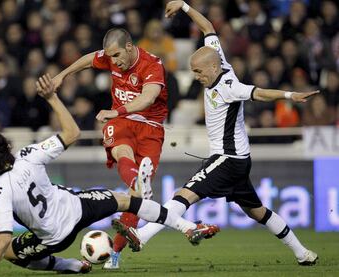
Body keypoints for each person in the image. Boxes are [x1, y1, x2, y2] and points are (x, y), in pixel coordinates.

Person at [116, 1, 319, 267]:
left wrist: (291, 95)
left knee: (184, 194)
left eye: (199, 73)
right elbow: (208, 27)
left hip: (227, 158)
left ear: (212, 68)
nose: (197, 77)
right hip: (238, 161)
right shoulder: (216, 58)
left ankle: (142, 236)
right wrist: (185, 6)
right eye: (194, 72)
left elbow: (258, 93)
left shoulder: (230, 85)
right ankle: (303, 253)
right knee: (258, 212)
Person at [0, 74, 219, 277]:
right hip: (78, 207)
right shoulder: (29, 154)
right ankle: (186, 226)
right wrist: (52, 98)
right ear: (7, 146)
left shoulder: (0, 189)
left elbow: (3, 238)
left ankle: (69, 266)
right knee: (125, 201)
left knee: (11, 253)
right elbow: (73, 133)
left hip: (55, 238)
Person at [50, 28, 169, 269]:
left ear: (129, 46)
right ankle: (137, 182)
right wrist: (62, 75)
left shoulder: (152, 65)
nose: (113, 62)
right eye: (109, 57)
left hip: (150, 127)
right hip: (122, 122)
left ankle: (115, 253)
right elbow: (87, 60)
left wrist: (115, 111)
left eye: (116, 56)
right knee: (121, 152)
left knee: (136, 202)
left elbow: (147, 99)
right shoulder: (111, 55)